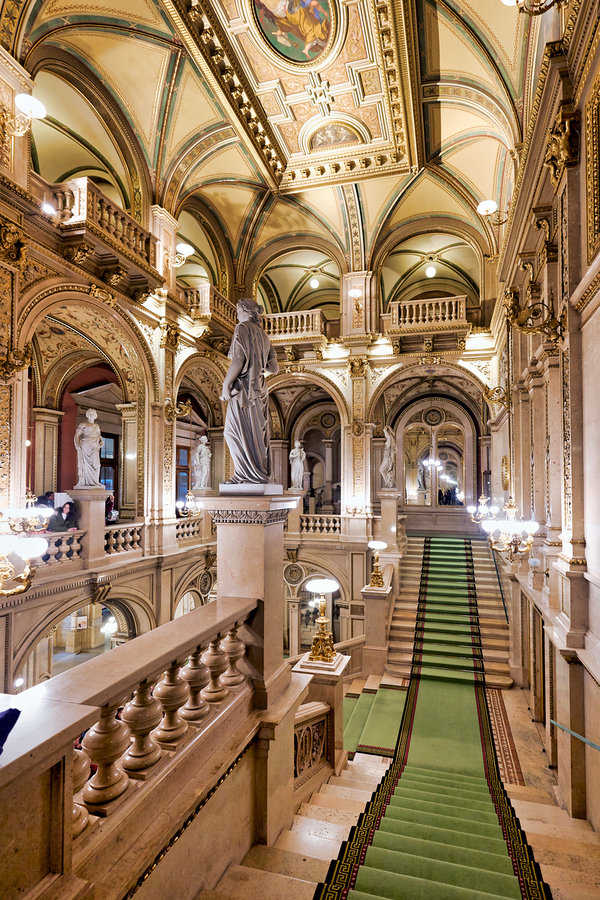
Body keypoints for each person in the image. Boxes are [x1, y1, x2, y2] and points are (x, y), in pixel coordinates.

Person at [220, 298, 279, 484]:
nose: (237, 314)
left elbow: (238, 359)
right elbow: (274, 369)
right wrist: (258, 363)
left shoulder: (242, 328)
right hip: (259, 391)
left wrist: (225, 385)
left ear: (245, 311)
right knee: (254, 434)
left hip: (243, 390)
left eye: (238, 310)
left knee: (231, 432)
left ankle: (244, 475)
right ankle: (255, 474)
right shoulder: (264, 336)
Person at [74, 409, 103, 487]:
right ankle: (86, 482)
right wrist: (77, 445)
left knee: (96, 465)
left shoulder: (96, 426)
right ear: (87, 415)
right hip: (85, 445)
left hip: (95, 446)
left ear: (96, 415)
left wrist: (101, 441)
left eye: (93, 414)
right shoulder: (83, 424)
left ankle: (95, 481)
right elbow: (77, 435)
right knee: (85, 464)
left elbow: (99, 436)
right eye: (90, 413)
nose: (91, 415)